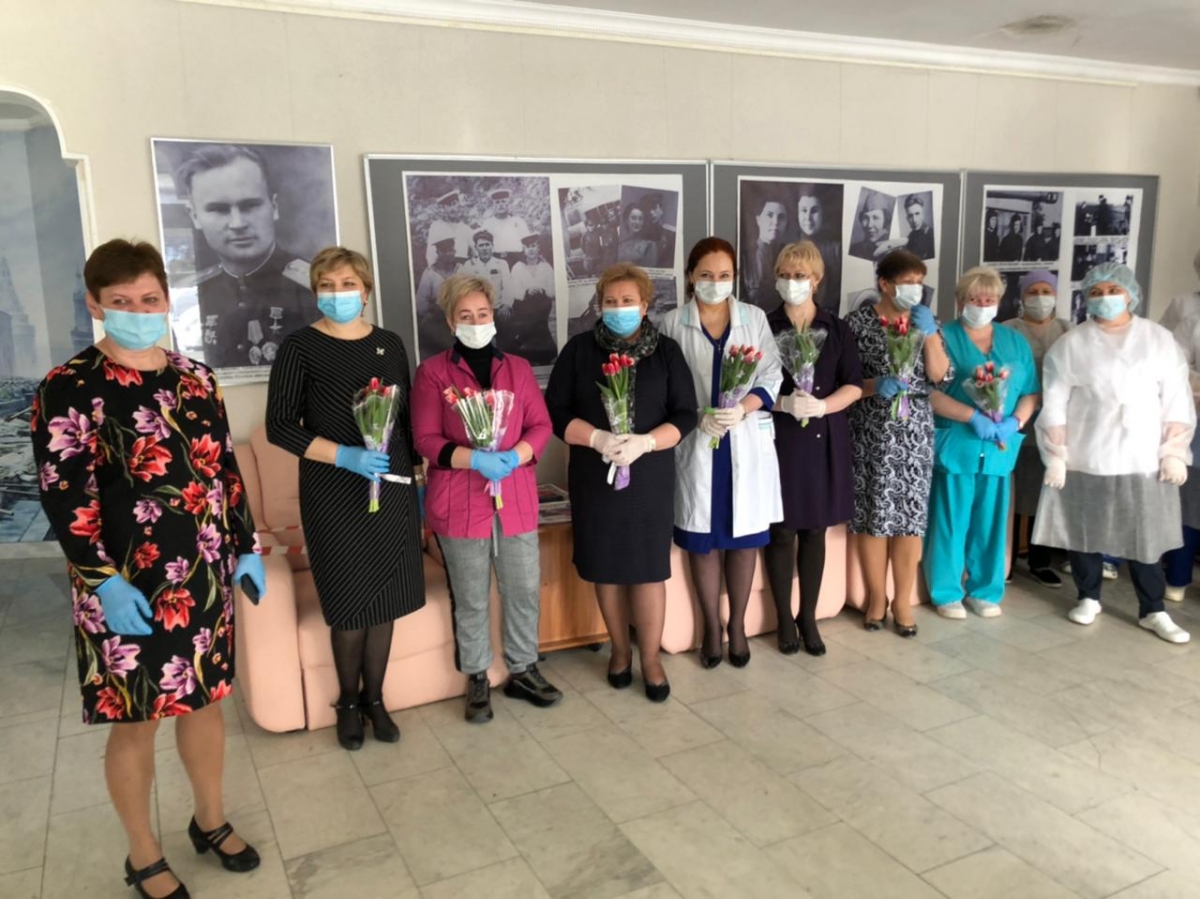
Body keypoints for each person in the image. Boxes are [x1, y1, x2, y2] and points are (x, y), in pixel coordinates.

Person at [31, 239, 266, 898]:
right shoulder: (70, 385)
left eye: (149, 299)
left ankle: (210, 819)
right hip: (124, 586)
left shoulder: (196, 378)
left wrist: (246, 544)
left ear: (166, 299)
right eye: (121, 301)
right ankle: (142, 854)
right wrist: (100, 580)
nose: (138, 311)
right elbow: (63, 494)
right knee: (138, 719)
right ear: (95, 304)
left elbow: (223, 469)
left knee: (206, 704)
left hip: (204, 574)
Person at [266, 246, 426, 749]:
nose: (338, 294)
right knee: (350, 602)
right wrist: (343, 456)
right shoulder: (299, 347)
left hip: (390, 488)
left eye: (348, 284)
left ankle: (376, 699)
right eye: (328, 286)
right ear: (316, 292)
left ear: (366, 291)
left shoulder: (389, 344)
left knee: (386, 600)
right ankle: (349, 703)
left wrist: (415, 480)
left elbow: (404, 419)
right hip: (333, 491)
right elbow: (279, 426)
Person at [412, 274, 562, 722]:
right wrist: (473, 460)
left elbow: (541, 425)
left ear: (493, 316)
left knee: (523, 589)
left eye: (482, 314)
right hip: (460, 500)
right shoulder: (433, 372)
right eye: (466, 316)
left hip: (514, 496)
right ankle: (476, 676)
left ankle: (523, 669)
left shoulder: (517, 368)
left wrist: (515, 456)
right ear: (449, 321)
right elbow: (424, 439)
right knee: (471, 595)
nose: (476, 323)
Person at [546, 263, 697, 699]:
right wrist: (596, 438)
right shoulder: (579, 351)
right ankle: (618, 650)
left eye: (628, 300)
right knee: (606, 567)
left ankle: (650, 659)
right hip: (595, 475)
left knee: (649, 571)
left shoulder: (666, 352)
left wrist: (646, 443)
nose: (618, 308)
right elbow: (555, 411)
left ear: (645, 305)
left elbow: (685, 413)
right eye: (610, 301)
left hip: (650, 477)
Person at [1035, 262, 1194, 643]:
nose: (1105, 298)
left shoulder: (1157, 339)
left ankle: (1153, 609)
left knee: (1145, 534)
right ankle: (1088, 596)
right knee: (1085, 530)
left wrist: (1174, 450)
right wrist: (1056, 454)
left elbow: (1176, 397)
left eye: (1112, 290)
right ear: (1086, 298)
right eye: (1096, 292)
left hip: (1143, 455)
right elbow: (1055, 400)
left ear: (1129, 294)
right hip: (1088, 451)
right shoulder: (1071, 344)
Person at [660, 237, 783, 668]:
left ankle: (739, 627)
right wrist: (699, 417)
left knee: (744, 540)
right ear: (691, 276)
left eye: (725, 275)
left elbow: (771, 374)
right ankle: (712, 627)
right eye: (707, 275)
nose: (716, 282)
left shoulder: (753, 318)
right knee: (703, 542)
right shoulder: (672, 324)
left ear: (735, 277)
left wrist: (742, 408)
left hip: (743, 439)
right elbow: (665, 387)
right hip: (697, 443)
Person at [846, 249, 953, 637]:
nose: (915, 290)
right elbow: (844, 381)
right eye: (907, 282)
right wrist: (875, 385)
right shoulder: (857, 323)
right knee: (873, 520)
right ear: (885, 284)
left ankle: (902, 601)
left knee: (909, 521)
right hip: (871, 430)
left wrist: (930, 337)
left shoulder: (928, 322)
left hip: (914, 434)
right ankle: (877, 598)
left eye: (919, 283)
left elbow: (942, 378)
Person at [924, 267, 1039, 619]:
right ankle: (946, 592)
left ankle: (985, 591)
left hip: (999, 447)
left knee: (990, 524)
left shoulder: (1014, 341)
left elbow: (1030, 391)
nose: (982, 304)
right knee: (949, 522)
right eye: (975, 298)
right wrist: (972, 416)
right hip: (958, 443)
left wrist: (1015, 422)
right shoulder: (943, 337)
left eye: (989, 299)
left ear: (999, 302)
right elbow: (929, 393)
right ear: (961, 301)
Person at [765, 241, 863, 655]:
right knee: (782, 531)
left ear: (817, 280)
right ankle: (783, 618)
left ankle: (808, 616)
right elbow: (748, 385)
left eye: (800, 276)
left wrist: (823, 406)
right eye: (785, 275)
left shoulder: (836, 329)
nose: (792, 282)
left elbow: (854, 385)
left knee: (815, 530)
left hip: (824, 438)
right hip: (780, 439)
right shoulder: (764, 326)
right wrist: (782, 403)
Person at [174, 144, 316, 370]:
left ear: (274, 207)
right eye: (219, 209)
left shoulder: (315, 287)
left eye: (250, 205)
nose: (237, 223)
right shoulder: (193, 294)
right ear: (195, 216)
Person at [1003, 270, 1069, 587]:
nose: (1040, 298)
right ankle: (1006, 559)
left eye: (1046, 291)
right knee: (1013, 494)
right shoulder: (1007, 330)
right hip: (1016, 422)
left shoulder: (1068, 331)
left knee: (1046, 495)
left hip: (1057, 427)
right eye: (1033, 291)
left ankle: (1040, 561)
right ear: (1022, 296)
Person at [1158, 248, 1200, 602]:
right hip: (1196, 414)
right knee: (1190, 500)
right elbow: (1174, 365)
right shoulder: (1190, 316)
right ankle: (1178, 576)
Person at [504, 232, 557, 364]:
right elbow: (515, 290)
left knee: (540, 328)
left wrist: (542, 290)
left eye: (533, 246)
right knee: (527, 329)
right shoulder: (518, 267)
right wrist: (527, 291)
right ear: (523, 249)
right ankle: (528, 357)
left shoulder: (546, 267)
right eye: (528, 247)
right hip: (524, 306)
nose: (531, 249)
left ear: (538, 247)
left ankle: (543, 357)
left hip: (542, 305)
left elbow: (552, 289)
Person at [796, 186, 843, 315]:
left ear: (823, 213)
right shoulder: (789, 251)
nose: (808, 218)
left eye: (814, 211)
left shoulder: (837, 250)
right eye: (803, 210)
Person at [415, 236, 460, 358]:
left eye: (450, 250)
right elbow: (421, 304)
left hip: (461, 318)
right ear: (438, 252)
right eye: (444, 250)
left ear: (454, 251)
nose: (448, 253)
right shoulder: (430, 273)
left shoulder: (462, 269)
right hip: (438, 318)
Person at [743, 196, 789, 311]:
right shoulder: (745, 256)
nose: (775, 222)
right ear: (758, 220)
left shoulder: (792, 257)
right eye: (769, 215)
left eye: (781, 217)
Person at [424, 189, 475, 266]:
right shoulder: (437, 226)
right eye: (448, 206)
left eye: (454, 204)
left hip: (462, 268)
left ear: (459, 206)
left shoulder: (464, 228)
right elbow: (431, 255)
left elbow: (476, 249)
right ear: (443, 209)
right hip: (443, 267)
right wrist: (435, 270)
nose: (452, 208)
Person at [480, 187, 532, 258]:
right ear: (493, 205)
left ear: (508, 203)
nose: (500, 205)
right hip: (496, 258)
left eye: (503, 201)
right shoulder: (488, 224)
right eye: (497, 202)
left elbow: (527, 243)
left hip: (517, 258)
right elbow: (483, 245)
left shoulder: (518, 221)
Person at [849, 191, 893, 261]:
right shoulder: (853, 249)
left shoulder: (893, 249)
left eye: (875, 218)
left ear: (886, 220)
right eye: (866, 218)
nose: (869, 225)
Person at [618, 202, 659, 268]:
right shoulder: (620, 244)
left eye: (640, 219)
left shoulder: (650, 245)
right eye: (633, 218)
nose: (637, 222)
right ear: (626, 220)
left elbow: (649, 271)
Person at [641, 191, 676, 263]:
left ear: (661, 209)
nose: (651, 212)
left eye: (654, 207)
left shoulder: (672, 235)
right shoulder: (641, 235)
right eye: (647, 209)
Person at [903, 195, 935, 260]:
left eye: (917, 214)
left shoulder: (932, 235)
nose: (914, 220)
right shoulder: (910, 237)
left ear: (923, 215)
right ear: (907, 219)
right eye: (910, 216)